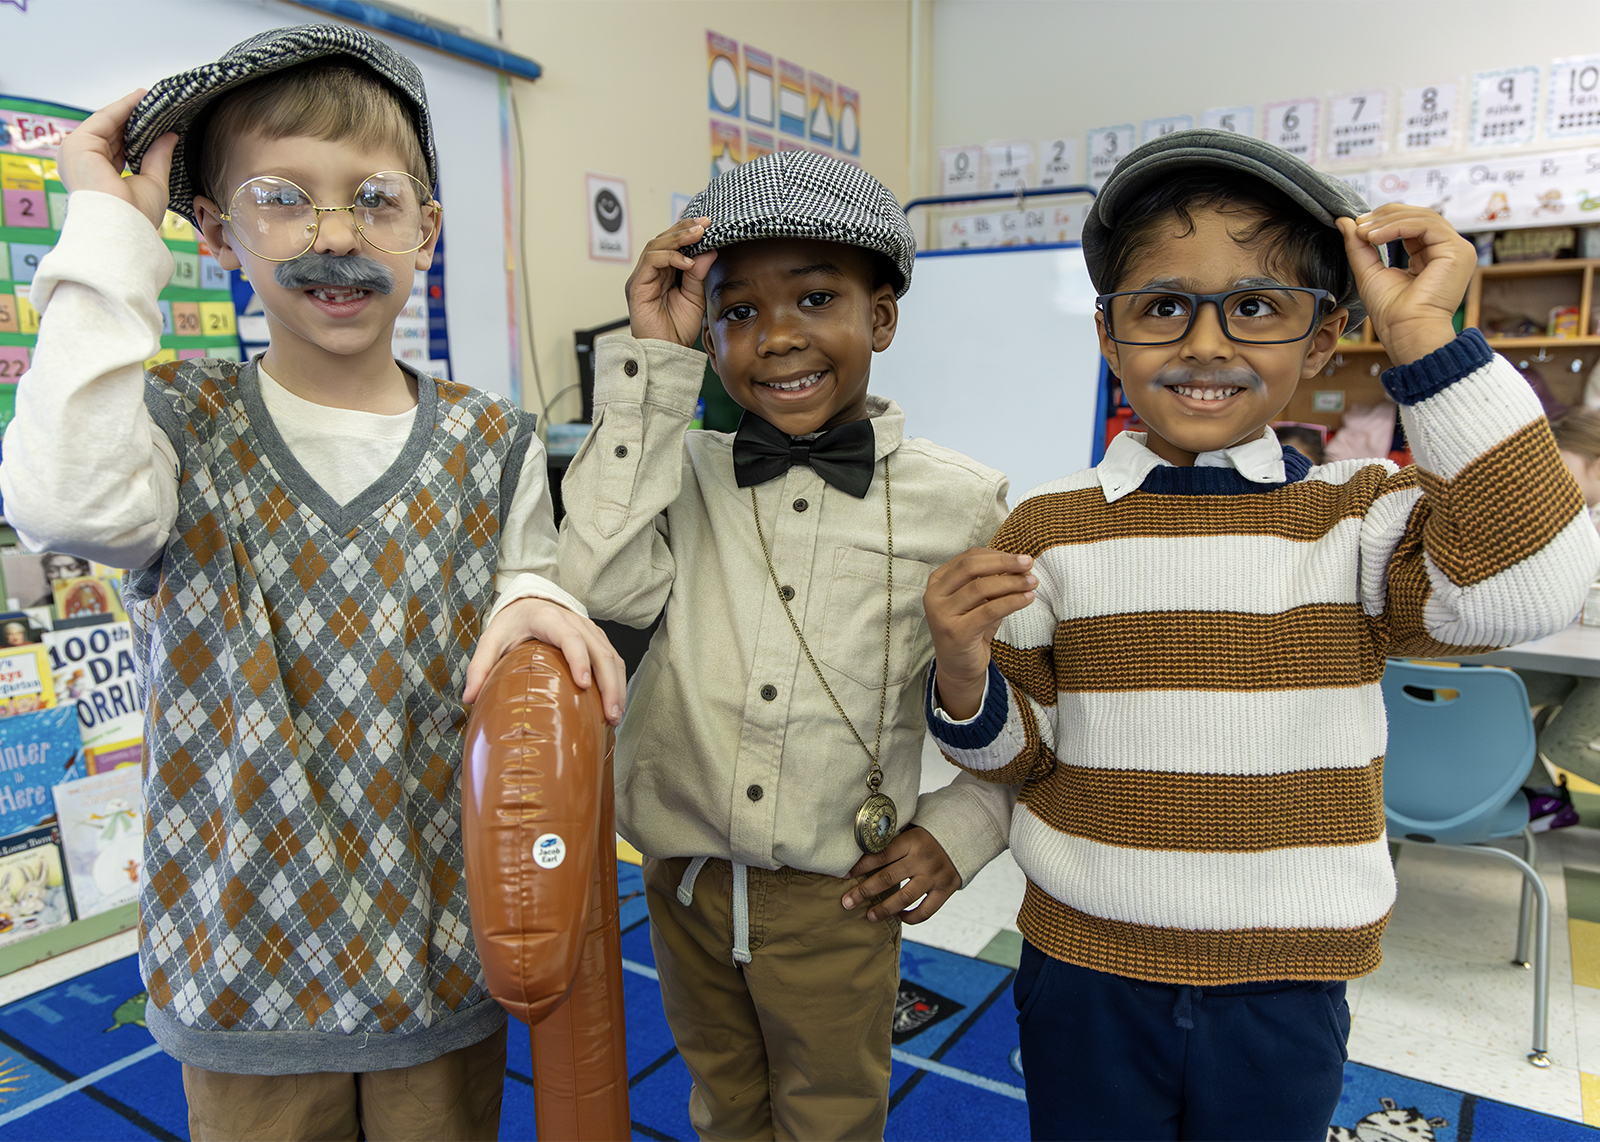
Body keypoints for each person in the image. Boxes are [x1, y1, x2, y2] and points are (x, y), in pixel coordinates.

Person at [0, 25, 624, 1141]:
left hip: (437, 958)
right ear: (216, 232)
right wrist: (105, 225)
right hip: (242, 965)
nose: (335, 235)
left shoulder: (495, 443)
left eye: (375, 201)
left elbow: (536, 595)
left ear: (425, 232)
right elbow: (65, 500)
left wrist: (545, 597)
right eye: (284, 198)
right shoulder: (178, 425)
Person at [921, 128, 1600, 1142]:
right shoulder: (1048, 525)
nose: (1204, 344)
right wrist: (964, 666)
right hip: (1086, 966)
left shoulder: (1359, 516)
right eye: (1161, 307)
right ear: (1109, 338)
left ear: (1321, 339)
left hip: (1286, 977)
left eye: (1254, 307)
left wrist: (1423, 333)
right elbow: (1021, 751)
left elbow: (1527, 587)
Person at [549, 150, 1016, 1139]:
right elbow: (590, 580)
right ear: (706, 327)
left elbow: (1026, 699)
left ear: (880, 317)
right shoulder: (676, 472)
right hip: (681, 880)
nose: (778, 338)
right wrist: (654, 363)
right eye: (740, 312)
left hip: (836, 895)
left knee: (832, 1110)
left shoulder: (963, 499)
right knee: (721, 1099)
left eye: (814, 297)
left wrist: (962, 825)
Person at [1512, 409, 1600, 807]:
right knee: (1504, 706)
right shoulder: (1581, 516)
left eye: (1564, 472)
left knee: (1564, 744)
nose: (1555, 485)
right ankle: (1545, 798)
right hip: (1577, 655)